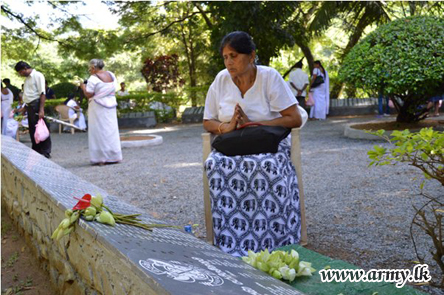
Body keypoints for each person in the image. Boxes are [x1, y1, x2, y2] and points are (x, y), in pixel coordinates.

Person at [203, 31, 303, 257]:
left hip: (269, 142)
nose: (229, 62)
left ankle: (272, 237)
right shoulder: (221, 80)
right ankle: (230, 239)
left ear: (251, 56)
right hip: (233, 142)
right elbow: (207, 120)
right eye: (225, 57)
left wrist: (254, 124)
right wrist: (225, 128)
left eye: (234, 56)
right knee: (216, 166)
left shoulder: (269, 77)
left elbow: (294, 118)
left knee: (266, 167)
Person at [78, 59, 122, 165]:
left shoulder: (93, 78)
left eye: (90, 68)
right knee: (111, 130)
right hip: (111, 105)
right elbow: (115, 88)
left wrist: (83, 87)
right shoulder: (111, 75)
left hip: (98, 107)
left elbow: (89, 94)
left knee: (99, 131)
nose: (89, 70)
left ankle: (101, 158)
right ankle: (114, 156)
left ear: (93, 68)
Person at [14, 61, 52, 158]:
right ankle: (36, 149)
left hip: (37, 104)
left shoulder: (37, 75)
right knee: (33, 129)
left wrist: (41, 109)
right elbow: (28, 96)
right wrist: (24, 108)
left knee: (41, 128)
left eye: (20, 72)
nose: (20, 74)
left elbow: (42, 93)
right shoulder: (27, 79)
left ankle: (45, 151)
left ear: (25, 68)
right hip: (30, 105)